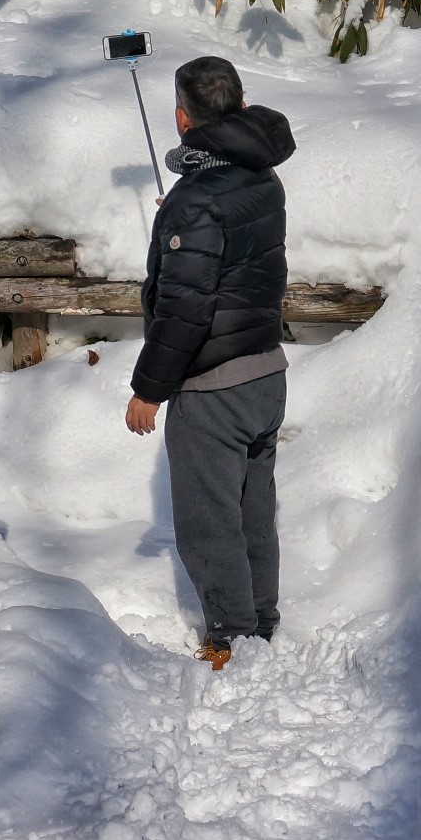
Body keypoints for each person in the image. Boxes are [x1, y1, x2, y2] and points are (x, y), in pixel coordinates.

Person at [124, 55, 294, 670]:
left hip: (213, 385)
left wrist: (149, 389)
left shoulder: (196, 205)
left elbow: (185, 309)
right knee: (253, 509)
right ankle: (259, 623)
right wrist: (187, 207)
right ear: (241, 106)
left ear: (180, 116)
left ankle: (230, 639)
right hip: (265, 373)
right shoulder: (260, 178)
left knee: (208, 518)